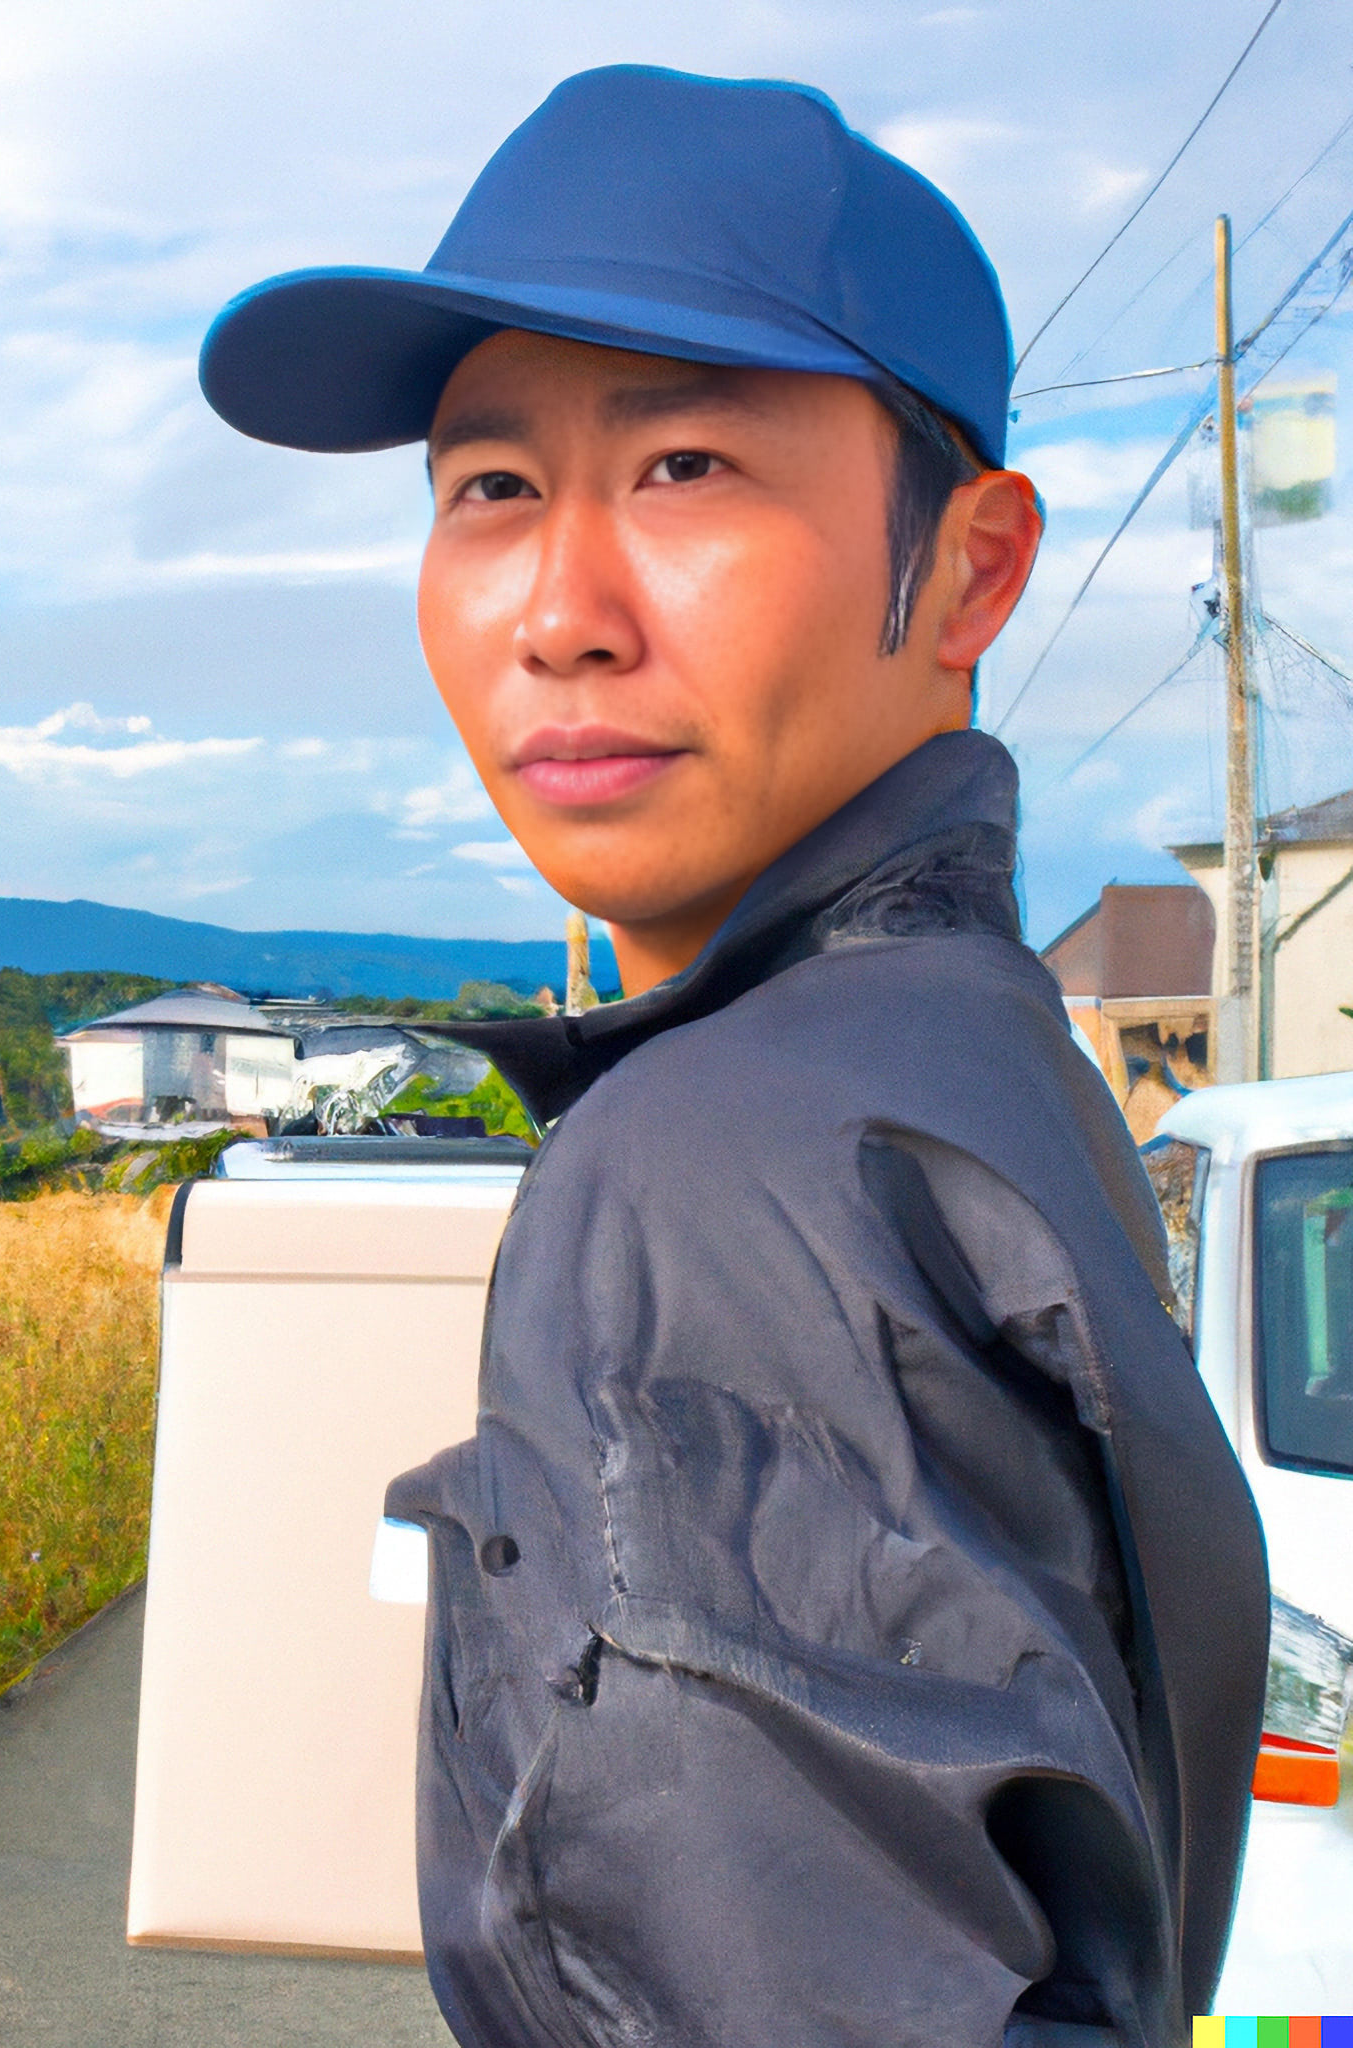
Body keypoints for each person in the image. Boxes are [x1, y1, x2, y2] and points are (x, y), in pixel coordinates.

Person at [198, 65, 1268, 2048]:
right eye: (489, 489)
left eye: (685, 469)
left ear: (972, 566)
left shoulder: (713, 1165)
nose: (558, 611)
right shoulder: (986, 1052)